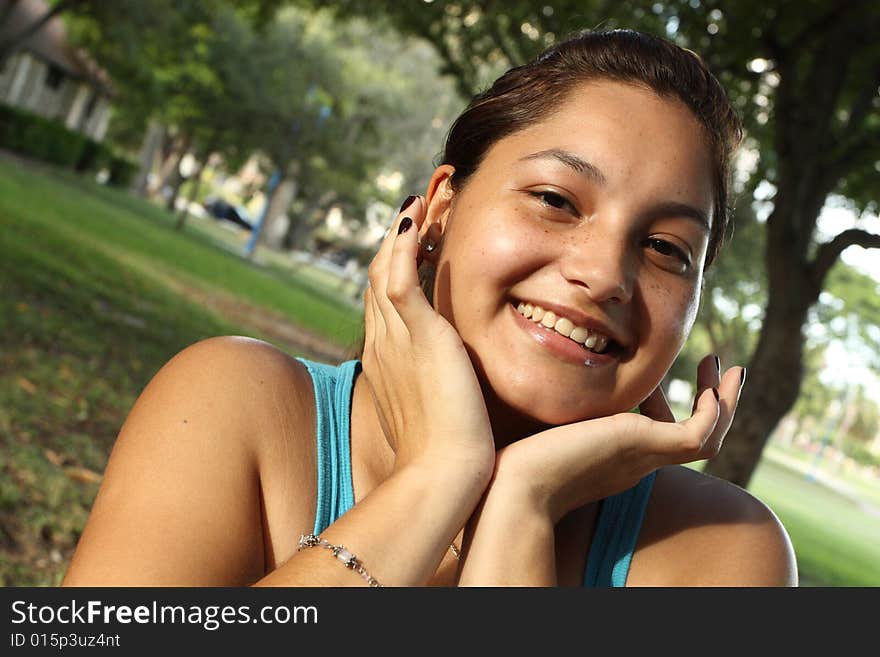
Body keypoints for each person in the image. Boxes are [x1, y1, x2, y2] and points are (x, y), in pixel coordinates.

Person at [63, 28, 797, 587]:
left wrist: (521, 505)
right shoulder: (234, 407)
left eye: (667, 248)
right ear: (440, 207)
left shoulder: (721, 552)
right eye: (554, 199)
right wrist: (440, 475)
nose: (606, 273)